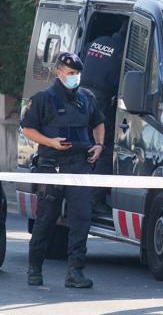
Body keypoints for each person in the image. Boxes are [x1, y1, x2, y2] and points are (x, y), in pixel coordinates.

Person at [21, 52, 105, 288]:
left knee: (81, 219)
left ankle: (75, 272)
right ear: (58, 72)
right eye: (70, 73)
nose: (74, 78)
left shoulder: (87, 97)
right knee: (46, 219)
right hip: (52, 167)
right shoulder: (43, 99)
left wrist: (99, 144)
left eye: (77, 74)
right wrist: (51, 142)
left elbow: (98, 122)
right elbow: (27, 129)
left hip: (80, 166)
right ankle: (34, 269)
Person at [81, 21, 126, 215]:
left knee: (84, 148)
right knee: (104, 151)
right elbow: (120, 83)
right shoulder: (120, 51)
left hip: (80, 98)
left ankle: (78, 199)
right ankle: (94, 201)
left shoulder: (96, 42)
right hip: (100, 102)